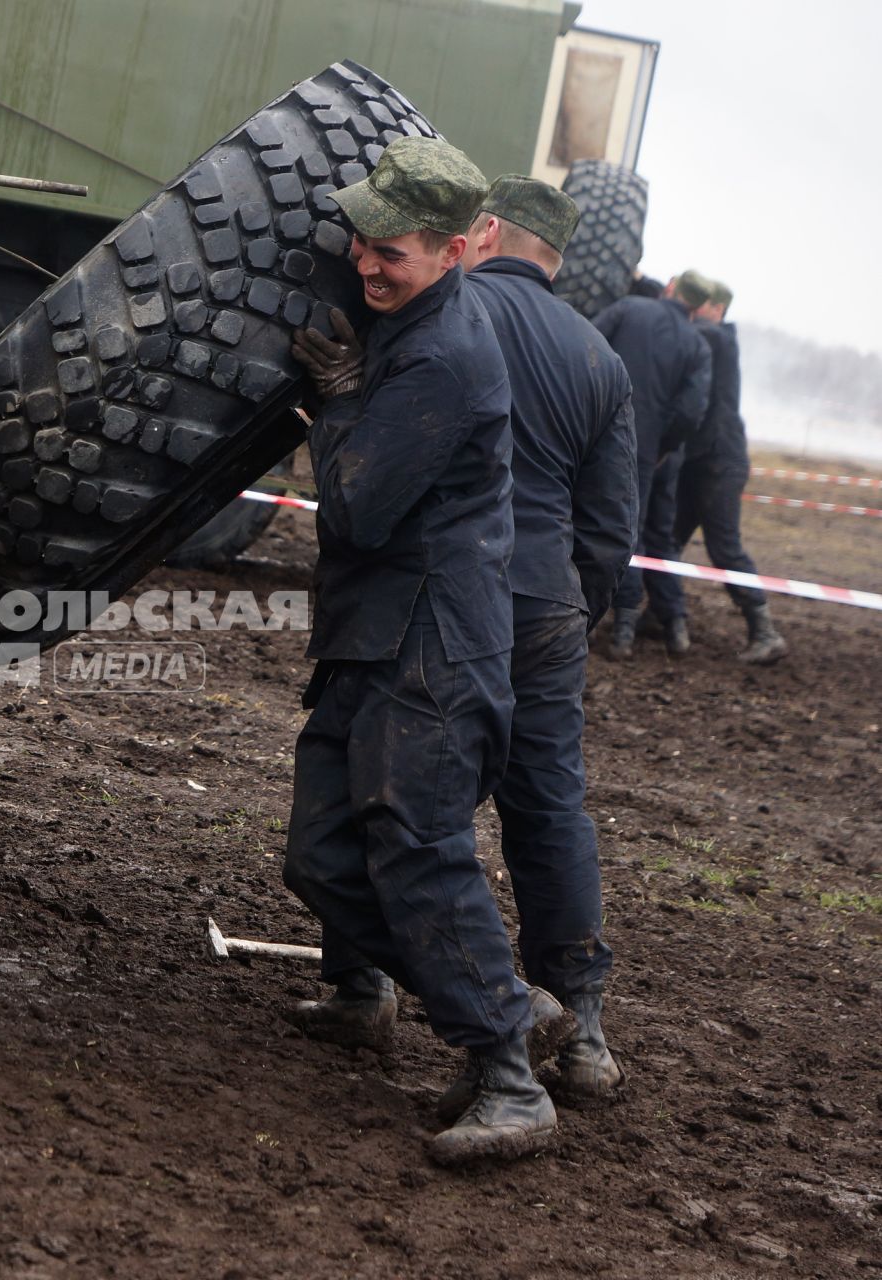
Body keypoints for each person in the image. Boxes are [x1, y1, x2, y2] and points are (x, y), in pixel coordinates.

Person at [281, 136, 553, 1166]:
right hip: (379, 639)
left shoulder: (443, 353)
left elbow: (351, 509)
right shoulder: (416, 318)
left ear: (452, 249)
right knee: (317, 851)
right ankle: (503, 1002)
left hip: (429, 650)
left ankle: (510, 1076)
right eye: (359, 240)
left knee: (418, 855)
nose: (363, 263)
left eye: (387, 251)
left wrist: (341, 401)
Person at [454, 176, 636, 1113]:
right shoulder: (600, 356)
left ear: (483, 232)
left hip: (452, 591)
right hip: (550, 605)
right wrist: (569, 607)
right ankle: (589, 1031)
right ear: (558, 256)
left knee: (416, 795)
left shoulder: (447, 307)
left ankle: (364, 983)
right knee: (551, 806)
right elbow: (611, 528)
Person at [592, 274, 712, 657]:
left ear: (672, 286)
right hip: (647, 449)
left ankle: (598, 625)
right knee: (635, 531)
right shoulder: (697, 343)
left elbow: (582, 350)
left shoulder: (628, 309)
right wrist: (664, 445)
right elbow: (692, 412)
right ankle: (625, 629)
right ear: (698, 305)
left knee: (588, 522)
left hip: (598, 436)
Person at [671, 278, 788, 664]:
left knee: (724, 547)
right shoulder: (707, 336)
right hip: (699, 461)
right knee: (667, 539)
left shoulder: (720, 338)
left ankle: (764, 630)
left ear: (717, 311)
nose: (693, 309)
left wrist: (661, 312)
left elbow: (687, 330)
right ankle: (664, 614)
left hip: (720, 463)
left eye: (701, 305)